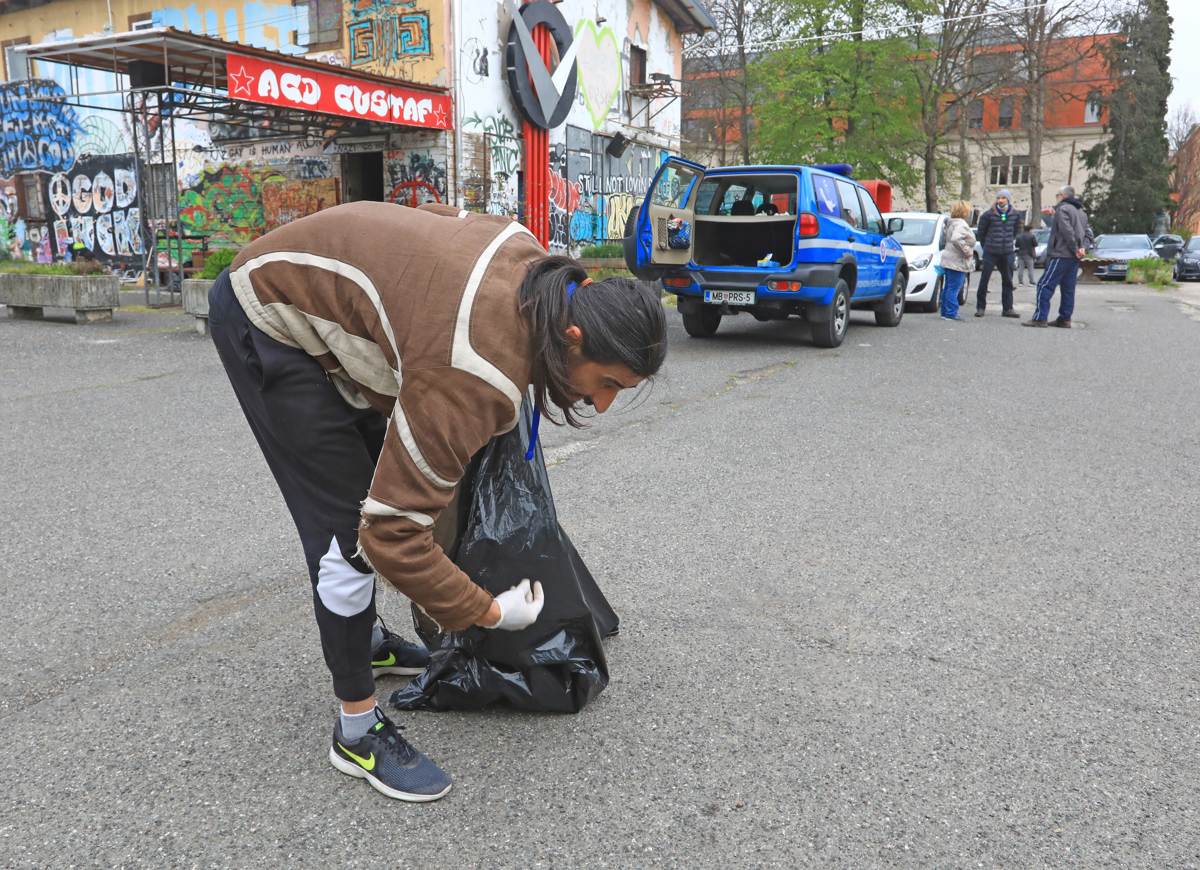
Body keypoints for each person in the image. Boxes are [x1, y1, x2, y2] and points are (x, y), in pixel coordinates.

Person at [207, 201, 667, 802]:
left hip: (342, 308)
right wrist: (489, 612)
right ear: (573, 336)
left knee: (384, 480)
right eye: (607, 384)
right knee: (348, 534)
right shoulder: (472, 371)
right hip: (268, 315)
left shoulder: (536, 264)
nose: (601, 405)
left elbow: (443, 227)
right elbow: (391, 534)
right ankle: (356, 729)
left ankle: (367, 643)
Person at [1024, 185, 1090, 328]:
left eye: (1058, 194)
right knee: (1068, 287)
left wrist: (1074, 249)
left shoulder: (1063, 209)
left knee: (1044, 284)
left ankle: (1040, 318)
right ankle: (1065, 318)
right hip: (1074, 257)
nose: (1057, 197)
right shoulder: (1081, 212)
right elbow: (1088, 234)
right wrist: (1082, 248)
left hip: (1062, 254)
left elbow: (1067, 231)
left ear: (1064, 196)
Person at [974, 188, 1023, 318]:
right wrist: (987, 247)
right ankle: (980, 307)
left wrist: (1007, 242)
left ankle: (1008, 308)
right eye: (999, 198)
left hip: (1007, 252)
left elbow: (1015, 231)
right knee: (984, 279)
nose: (1000, 200)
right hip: (991, 251)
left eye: (1003, 198)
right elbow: (981, 233)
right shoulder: (988, 215)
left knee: (1007, 280)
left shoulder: (1016, 215)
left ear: (1008, 200)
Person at [939, 200, 975, 321]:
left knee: (948, 287)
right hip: (957, 260)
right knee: (954, 287)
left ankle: (945, 311)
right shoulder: (961, 224)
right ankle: (951, 312)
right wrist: (967, 252)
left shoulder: (952, 223)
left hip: (949, 258)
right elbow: (956, 239)